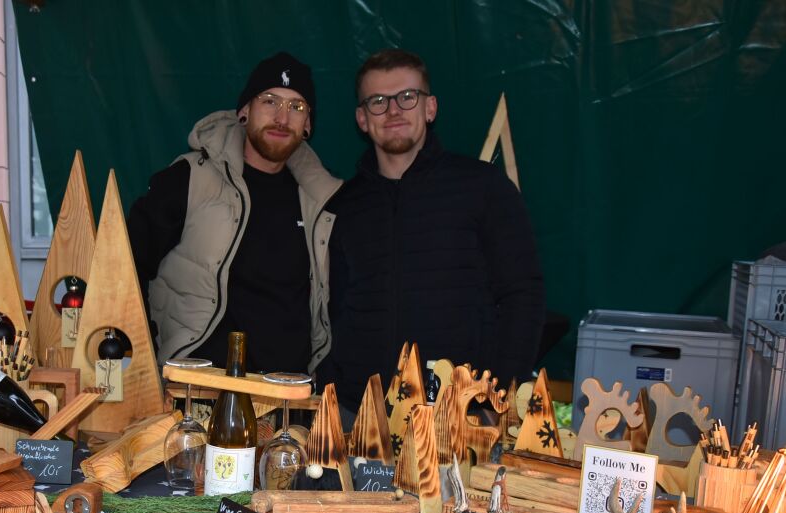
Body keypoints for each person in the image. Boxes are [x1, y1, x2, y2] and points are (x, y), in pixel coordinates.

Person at [319, 49, 545, 412]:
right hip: (361, 416)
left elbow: (524, 296)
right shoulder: (344, 205)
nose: (393, 111)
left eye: (407, 97)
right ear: (362, 119)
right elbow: (333, 312)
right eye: (378, 101)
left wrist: (493, 399)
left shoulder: (483, 186)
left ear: (430, 108)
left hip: (458, 417)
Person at [128, 52, 341, 375]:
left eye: (296, 107)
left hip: (286, 399)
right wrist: (144, 358)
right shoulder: (191, 178)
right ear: (244, 111)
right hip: (198, 391)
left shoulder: (322, 202)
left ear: (308, 124)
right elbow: (124, 265)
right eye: (270, 101)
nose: (282, 118)